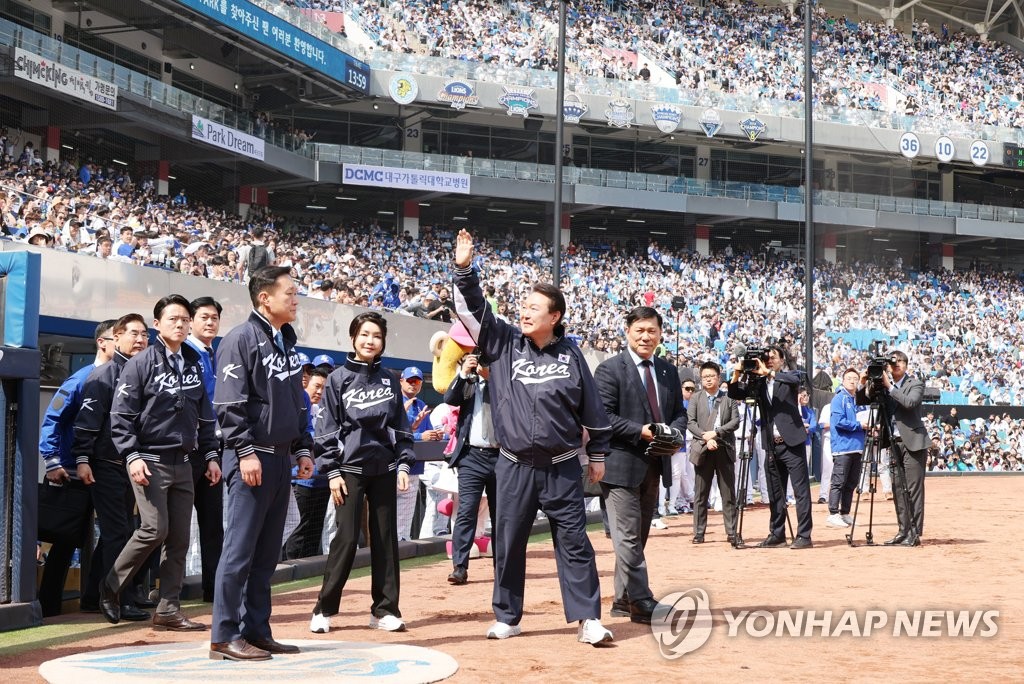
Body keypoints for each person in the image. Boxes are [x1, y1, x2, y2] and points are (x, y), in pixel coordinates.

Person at [452, 228, 614, 646]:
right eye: (522, 306)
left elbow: (591, 410)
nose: (524, 312)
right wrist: (465, 269)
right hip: (513, 464)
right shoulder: (504, 342)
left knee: (574, 542)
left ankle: (587, 618)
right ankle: (508, 615)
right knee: (508, 542)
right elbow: (474, 312)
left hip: (561, 466)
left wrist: (597, 454)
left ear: (555, 316)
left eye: (533, 308)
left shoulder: (571, 353)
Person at [210, 266, 314, 661]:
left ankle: (256, 630)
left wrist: (303, 448)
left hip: (280, 460)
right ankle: (223, 635)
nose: (295, 299)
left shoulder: (286, 340)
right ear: (264, 298)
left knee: (266, 555)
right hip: (250, 459)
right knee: (238, 552)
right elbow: (228, 403)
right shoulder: (240, 338)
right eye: (289, 293)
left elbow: (295, 403)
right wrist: (244, 450)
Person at [99, 295, 221, 630]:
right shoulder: (141, 363)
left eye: (184, 319)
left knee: (179, 538)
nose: (180, 324)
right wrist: (132, 455)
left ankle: (168, 609)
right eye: (173, 319)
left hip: (185, 462)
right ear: (157, 325)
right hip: (148, 460)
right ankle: (110, 586)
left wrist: (210, 455)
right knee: (154, 528)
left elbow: (205, 415)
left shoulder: (195, 362)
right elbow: (120, 416)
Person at [309, 312, 414, 634]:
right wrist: (332, 471)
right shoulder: (338, 379)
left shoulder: (388, 379)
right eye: (365, 334)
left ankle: (384, 610)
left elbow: (401, 427)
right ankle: (324, 609)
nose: (371, 341)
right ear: (353, 337)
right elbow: (325, 430)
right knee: (346, 538)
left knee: (385, 540)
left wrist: (404, 463)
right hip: (348, 471)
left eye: (377, 336)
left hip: (383, 468)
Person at [594, 306, 686, 624]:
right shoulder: (609, 370)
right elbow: (602, 417)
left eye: (652, 331)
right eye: (640, 330)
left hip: (654, 465)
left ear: (660, 334)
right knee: (628, 537)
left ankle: (622, 600)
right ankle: (641, 600)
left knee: (638, 536)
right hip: (619, 466)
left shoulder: (667, 371)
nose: (646, 336)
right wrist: (641, 431)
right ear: (628, 332)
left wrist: (675, 432)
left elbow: (679, 413)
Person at [73, 313, 152, 623]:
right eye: (133, 333)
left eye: (145, 335)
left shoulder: (144, 372)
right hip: (105, 465)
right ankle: (120, 598)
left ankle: (95, 595)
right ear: (115, 337)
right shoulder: (103, 375)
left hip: (132, 465)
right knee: (120, 533)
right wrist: (81, 459)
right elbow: (87, 422)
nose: (140, 339)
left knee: (118, 534)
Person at [36, 319, 116, 617]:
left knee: (113, 534)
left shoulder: (124, 377)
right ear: (102, 342)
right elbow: (52, 420)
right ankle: (50, 606)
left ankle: (95, 597)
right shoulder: (81, 379)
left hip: (109, 470)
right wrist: (53, 460)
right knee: (66, 540)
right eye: (116, 336)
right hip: (73, 471)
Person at [728, 346, 813, 549]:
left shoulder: (788, 376)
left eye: (773, 358)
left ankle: (804, 535)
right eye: (766, 358)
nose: (769, 361)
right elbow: (735, 393)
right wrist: (737, 372)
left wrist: (770, 373)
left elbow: (797, 380)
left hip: (792, 442)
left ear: (782, 360)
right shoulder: (758, 382)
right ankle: (777, 534)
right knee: (775, 491)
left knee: (800, 491)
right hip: (771, 444)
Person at [856, 350, 927, 545]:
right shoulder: (882, 384)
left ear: (905, 364)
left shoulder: (915, 383)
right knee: (897, 488)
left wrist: (889, 386)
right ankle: (903, 530)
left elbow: (910, 402)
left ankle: (914, 533)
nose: (895, 367)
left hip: (913, 442)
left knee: (913, 489)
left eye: (898, 364)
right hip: (893, 442)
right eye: (892, 364)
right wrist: (864, 382)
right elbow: (861, 400)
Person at [442, 348, 499, 586]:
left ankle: (503, 567)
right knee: (466, 510)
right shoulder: (469, 382)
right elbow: (450, 399)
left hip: (502, 456)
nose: (480, 364)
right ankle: (460, 566)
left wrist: (491, 375)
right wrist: (465, 373)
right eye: (478, 359)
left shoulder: (503, 381)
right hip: (471, 456)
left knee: (502, 514)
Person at [183, 296, 224, 602]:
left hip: (212, 449)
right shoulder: (183, 354)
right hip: (185, 451)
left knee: (212, 524)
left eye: (214, 318)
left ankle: (213, 589)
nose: (210, 323)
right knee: (174, 525)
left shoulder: (215, 355)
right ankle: (163, 591)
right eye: (204, 317)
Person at [688, 361, 742, 547]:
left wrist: (717, 434)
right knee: (700, 494)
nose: (708, 380)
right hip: (703, 449)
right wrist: (706, 437)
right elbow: (691, 422)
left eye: (712, 376)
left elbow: (735, 422)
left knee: (728, 493)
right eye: (705, 377)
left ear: (719, 378)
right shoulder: (695, 398)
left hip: (724, 448)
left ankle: (732, 531)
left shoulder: (729, 399)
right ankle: (699, 532)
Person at [284, 366, 331, 560]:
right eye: (316, 386)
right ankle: (290, 567)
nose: (319, 392)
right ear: (306, 383)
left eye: (323, 388)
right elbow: (302, 435)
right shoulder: (298, 402)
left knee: (315, 528)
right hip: (301, 478)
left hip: (323, 478)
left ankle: (310, 572)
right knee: (298, 527)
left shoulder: (325, 409)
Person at [826, 368, 867, 528]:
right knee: (839, 481)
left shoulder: (855, 399)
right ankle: (833, 513)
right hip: (843, 447)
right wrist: (859, 425)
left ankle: (845, 513)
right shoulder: (839, 398)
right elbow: (839, 422)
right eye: (849, 378)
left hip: (857, 447)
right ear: (843, 380)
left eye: (855, 379)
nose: (852, 381)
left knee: (851, 483)